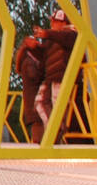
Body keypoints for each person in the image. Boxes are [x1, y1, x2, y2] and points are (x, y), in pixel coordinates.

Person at [35, 9, 85, 140]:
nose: (52, 22)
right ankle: (54, 131)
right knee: (41, 102)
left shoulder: (71, 34)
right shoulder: (54, 37)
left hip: (63, 78)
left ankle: (55, 133)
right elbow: (44, 55)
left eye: (55, 20)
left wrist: (46, 34)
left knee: (59, 107)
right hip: (53, 78)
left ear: (63, 22)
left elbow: (65, 37)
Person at [14, 34, 48, 142]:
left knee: (36, 125)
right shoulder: (29, 61)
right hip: (35, 97)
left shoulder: (25, 58)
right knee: (39, 126)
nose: (38, 43)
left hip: (30, 98)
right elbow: (34, 76)